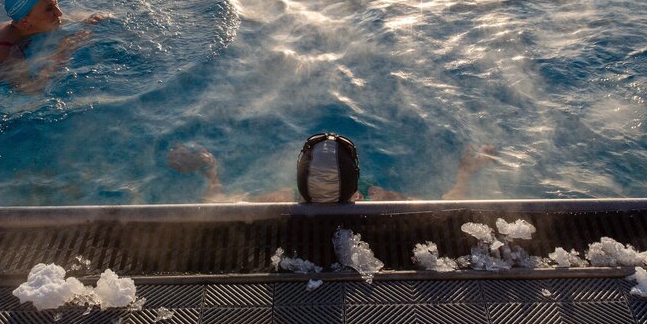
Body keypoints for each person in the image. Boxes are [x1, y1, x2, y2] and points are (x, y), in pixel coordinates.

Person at [166, 133, 496, 203]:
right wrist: (466, 170)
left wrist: (210, 168)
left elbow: (216, 206)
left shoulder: (284, 199)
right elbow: (446, 207)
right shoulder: (375, 197)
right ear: (356, 177)